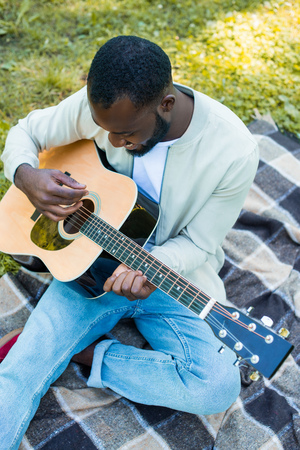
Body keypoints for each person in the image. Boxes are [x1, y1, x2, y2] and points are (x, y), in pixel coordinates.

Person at [0, 35, 259, 449]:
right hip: (85, 273)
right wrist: (26, 176)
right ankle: (53, 349)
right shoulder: (106, 109)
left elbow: (198, 243)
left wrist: (150, 266)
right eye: (107, 132)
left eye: (125, 134)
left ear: (166, 104)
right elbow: (26, 132)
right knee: (18, 371)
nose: (116, 142)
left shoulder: (234, 151)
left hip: (171, 280)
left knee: (216, 386)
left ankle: (90, 354)